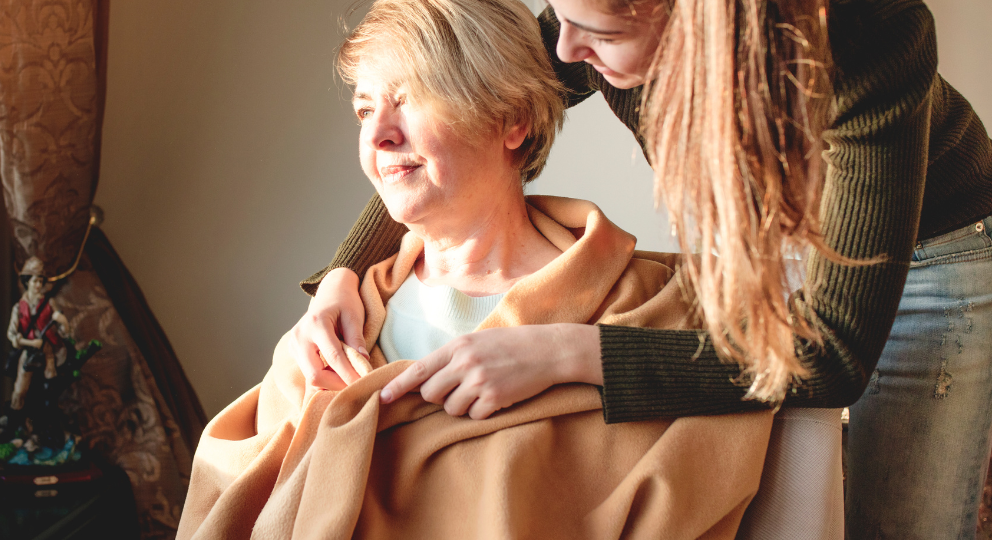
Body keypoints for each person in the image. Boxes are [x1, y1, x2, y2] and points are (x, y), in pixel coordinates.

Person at [292, 0, 992, 537]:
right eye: (560, 18)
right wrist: (343, 273)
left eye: (597, 34)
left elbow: (833, 355)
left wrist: (564, 353)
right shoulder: (588, 22)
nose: (565, 52)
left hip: (940, 256)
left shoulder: (873, 34)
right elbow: (480, 108)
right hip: (781, 245)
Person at [178, 1, 787, 537]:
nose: (380, 136)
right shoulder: (332, 332)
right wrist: (341, 273)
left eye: (411, 97)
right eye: (365, 110)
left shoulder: (647, 312)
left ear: (511, 120)